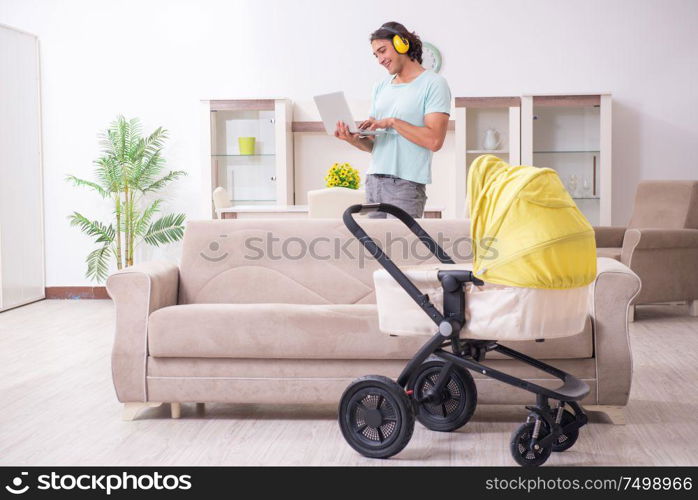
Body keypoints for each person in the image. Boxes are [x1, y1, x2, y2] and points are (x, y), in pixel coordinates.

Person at [334, 21, 451, 218]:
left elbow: (434, 141)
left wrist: (392, 122)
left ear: (401, 44)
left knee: (400, 248)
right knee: (372, 248)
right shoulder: (381, 87)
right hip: (374, 182)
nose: (380, 60)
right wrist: (353, 139)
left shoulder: (434, 84)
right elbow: (375, 146)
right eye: (376, 55)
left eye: (383, 51)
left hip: (405, 185)